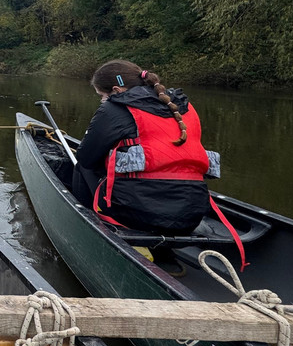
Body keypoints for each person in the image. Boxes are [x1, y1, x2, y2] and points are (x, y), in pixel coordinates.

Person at [71, 59, 212, 234]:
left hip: (141, 215)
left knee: (83, 166)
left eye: (101, 96)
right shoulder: (183, 106)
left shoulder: (114, 108)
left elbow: (86, 157)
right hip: (193, 212)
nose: (102, 100)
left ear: (116, 90)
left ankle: (83, 224)